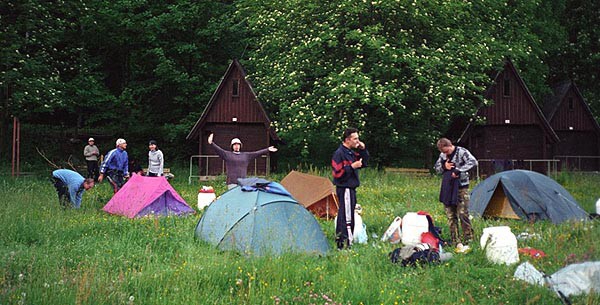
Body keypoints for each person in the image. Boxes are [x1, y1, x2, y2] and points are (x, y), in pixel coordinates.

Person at [434, 138, 478, 252]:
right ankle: (455, 240)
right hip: (447, 188)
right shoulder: (442, 156)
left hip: (461, 187)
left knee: (463, 213)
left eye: (446, 151)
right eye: (443, 152)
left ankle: (468, 239)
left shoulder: (462, 152)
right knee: (450, 216)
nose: (445, 154)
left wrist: (459, 170)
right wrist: (445, 166)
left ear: (450, 145)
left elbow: (473, 162)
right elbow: (437, 169)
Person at [331, 127, 369, 249]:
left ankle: (343, 241)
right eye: (355, 139)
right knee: (346, 216)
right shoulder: (339, 153)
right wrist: (352, 167)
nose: (358, 141)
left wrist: (363, 149)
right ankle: (346, 243)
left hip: (351, 188)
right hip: (345, 188)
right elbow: (337, 174)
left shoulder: (352, 152)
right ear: (348, 140)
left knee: (348, 214)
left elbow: (365, 163)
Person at [208, 133, 277, 189]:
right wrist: (211, 143)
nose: (236, 146)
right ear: (232, 146)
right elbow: (219, 150)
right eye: (234, 145)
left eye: (238, 144)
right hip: (232, 182)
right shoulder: (227, 155)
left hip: (243, 182)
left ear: (240, 146)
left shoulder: (246, 155)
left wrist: (267, 149)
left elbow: (256, 153)